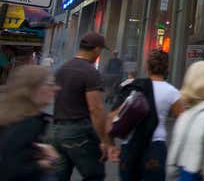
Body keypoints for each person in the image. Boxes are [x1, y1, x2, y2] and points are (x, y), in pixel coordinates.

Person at [52, 32, 116, 180]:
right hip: (79, 132)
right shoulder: (90, 72)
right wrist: (103, 140)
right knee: (95, 175)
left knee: (58, 176)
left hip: (57, 130)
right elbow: (96, 109)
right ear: (96, 49)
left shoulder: (63, 68)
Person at [111, 50, 184, 180]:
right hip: (155, 147)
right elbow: (183, 121)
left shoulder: (133, 86)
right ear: (167, 68)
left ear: (147, 66)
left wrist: (110, 145)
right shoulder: (172, 92)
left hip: (130, 145)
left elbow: (111, 117)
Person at [0, 65, 60, 180]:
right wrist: (46, 162)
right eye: (50, 85)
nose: (56, 88)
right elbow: (11, 169)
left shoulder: (12, 117)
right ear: (32, 90)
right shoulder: (28, 124)